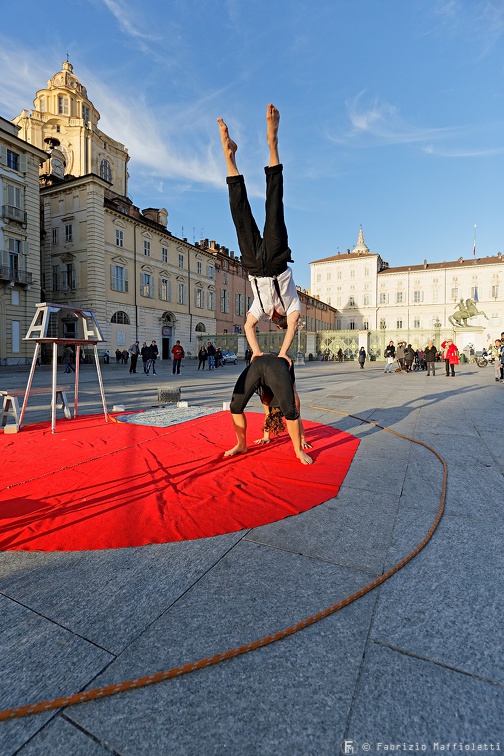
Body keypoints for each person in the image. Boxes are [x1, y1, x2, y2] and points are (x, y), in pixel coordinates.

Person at [218, 104, 301, 365]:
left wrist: (255, 351)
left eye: (278, 324)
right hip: (277, 261)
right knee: (274, 206)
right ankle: (272, 142)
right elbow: (293, 325)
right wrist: (284, 352)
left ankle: (230, 157)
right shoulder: (292, 306)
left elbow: (247, 327)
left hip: (254, 264)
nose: (279, 322)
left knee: (239, 216)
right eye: (280, 324)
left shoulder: (260, 310)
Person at [226, 354, 313, 465]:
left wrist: (302, 439)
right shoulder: (269, 399)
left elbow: (295, 416)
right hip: (277, 363)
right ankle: (241, 445)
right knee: (292, 410)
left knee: (291, 406)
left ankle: (298, 451)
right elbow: (295, 417)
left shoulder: (269, 400)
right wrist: (266, 437)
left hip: (273, 366)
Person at [254, 356, 312, 451]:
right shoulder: (267, 400)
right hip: (274, 369)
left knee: (290, 385)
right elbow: (298, 419)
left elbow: (298, 419)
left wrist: (303, 440)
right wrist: (302, 440)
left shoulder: (269, 401)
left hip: (280, 371)